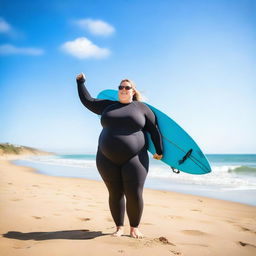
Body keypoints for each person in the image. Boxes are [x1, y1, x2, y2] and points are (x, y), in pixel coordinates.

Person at [76, 73, 163, 238]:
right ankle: (118, 227)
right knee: (115, 193)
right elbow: (87, 101)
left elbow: (154, 130)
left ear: (133, 91)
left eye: (127, 87)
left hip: (135, 158)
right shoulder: (107, 106)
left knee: (134, 193)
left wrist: (159, 151)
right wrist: (80, 82)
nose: (123, 89)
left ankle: (134, 228)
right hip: (105, 158)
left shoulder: (143, 109)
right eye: (121, 87)